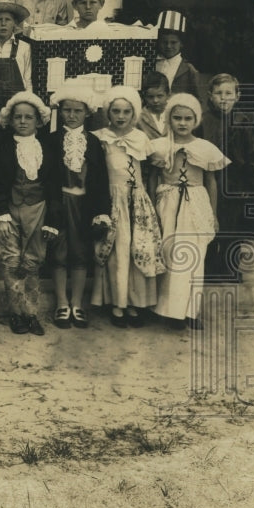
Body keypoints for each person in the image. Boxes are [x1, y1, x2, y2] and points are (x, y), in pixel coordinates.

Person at [150, 93, 229, 330]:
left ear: (195, 120)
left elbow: (211, 182)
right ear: (169, 119)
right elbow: (154, 177)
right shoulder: (160, 146)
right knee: (170, 253)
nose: (182, 123)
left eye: (187, 118)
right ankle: (167, 310)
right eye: (177, 118)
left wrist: (213, 214)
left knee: (194, 256)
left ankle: (190, 311)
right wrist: (154, 207)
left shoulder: (205, 147)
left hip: (195, 202)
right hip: (168, 201)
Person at [90, 86, 165, 328]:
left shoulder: (140, 138)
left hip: (138, 201)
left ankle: (135, 303)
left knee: (138, 250)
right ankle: (117, 304)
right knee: (117, 253)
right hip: (114, 200)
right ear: (108, 113)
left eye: (126, 112)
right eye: (116, 111)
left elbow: (152, 168)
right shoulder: (101, 137)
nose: (121, 117)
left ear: (133, 113)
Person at [0, 92, 61, 336]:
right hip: (10, 210)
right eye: (17, 117)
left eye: (28, 117)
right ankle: (16, 313)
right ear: (10, 120)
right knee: (12, 261)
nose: (22, 121)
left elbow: (54, 186)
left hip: (38, 209)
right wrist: (0, 215)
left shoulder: (48, 148)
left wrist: (52, 221)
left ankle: (31, 313)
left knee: (32, 262)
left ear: (38, 121)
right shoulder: (2, 147)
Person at [43, 85, 111, 330]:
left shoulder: (93, 142)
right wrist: (52, 204)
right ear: (60, 112)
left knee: (81, 252)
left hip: (85, 204)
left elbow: (101, 179)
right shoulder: (51, 140)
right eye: (67, 110)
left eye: (77, 111)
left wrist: (101, 211)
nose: (71, 115)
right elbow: (47, 176)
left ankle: (77, 303)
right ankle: (62, 302)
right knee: (59, 251)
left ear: (87, 113)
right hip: (59, 203)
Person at [198, 73, 254, 283]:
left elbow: (251, 155)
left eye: (228, 93)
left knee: (232, 226)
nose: (223, 98)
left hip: (235, 183)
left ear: (237, 96)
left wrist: (252, 185)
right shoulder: (203, 121)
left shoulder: (243, 121)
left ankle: (229, 270)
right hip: (208, 180)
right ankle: (208, 270)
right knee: (209, 223)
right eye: (218, 93)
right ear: (210, 96)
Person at [154, 10, 199, 97]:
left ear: (181, 43)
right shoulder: (152, 63)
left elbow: (196, 99)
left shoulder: (189, 69)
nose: (168, 46)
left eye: (173, 42)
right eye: (164, 42)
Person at [138, 71, 171, 140]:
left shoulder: (173, 115)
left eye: (160, 96)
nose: (155, 100)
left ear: (168, 95)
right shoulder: (139, 119)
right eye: (150, 97)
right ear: (144, 97)